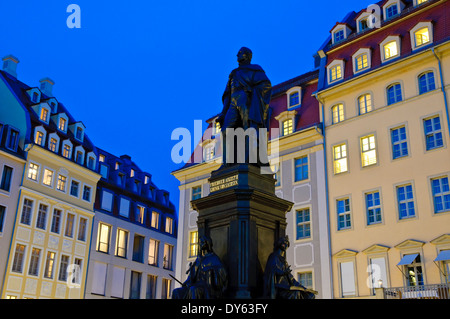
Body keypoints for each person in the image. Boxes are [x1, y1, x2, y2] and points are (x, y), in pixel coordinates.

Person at [217, 47, 272, 166]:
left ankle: (249, 159)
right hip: (233, 100)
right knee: (226, 129)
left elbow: (266, 85)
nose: (237, 55)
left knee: (248, 128)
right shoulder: (234, 73)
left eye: (240, 53)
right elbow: (227, 94)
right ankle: (227, 162)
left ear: (247, 55)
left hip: (245, 98)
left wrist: (253, 92)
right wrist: (223, 112)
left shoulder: (255, 69)